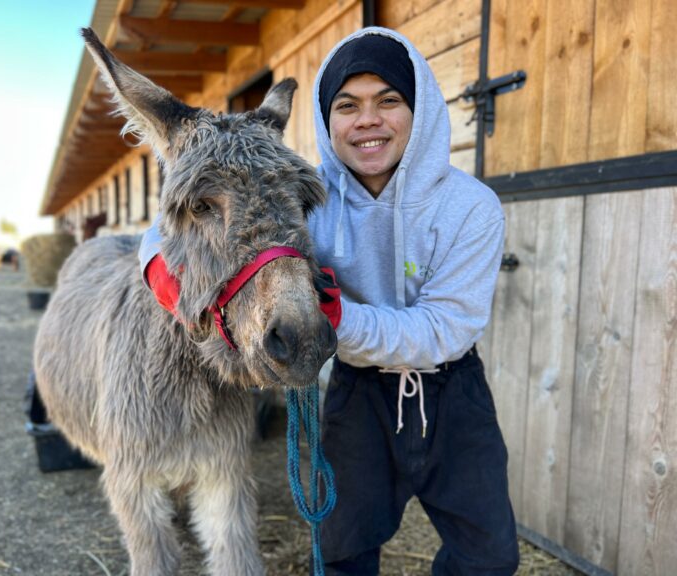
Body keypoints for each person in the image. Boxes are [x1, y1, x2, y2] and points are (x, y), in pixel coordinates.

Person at [139, 26, 519, 576]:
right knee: (341, 550)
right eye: (348, 105)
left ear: (421, 111)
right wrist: (159, 266)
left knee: (487, 556)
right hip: (356, 394)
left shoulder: (470, 207)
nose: (368, 119)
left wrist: (339, 317)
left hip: (452, 395)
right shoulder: (305, 193)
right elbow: (176, 218)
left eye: (388, 100)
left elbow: (448, 327)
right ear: (326, 120)